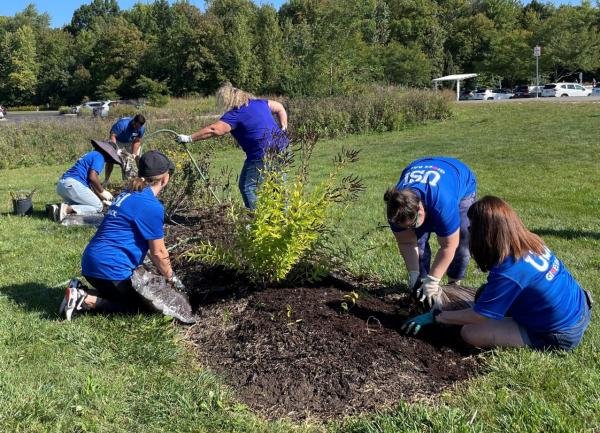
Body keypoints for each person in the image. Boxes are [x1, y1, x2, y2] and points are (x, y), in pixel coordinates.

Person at [402, 196, 592, 351]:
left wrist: (438, 317)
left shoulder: (509, 271)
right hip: (580, 307)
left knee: (470, 333)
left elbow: (480, 316)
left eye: (471, 228)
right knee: (484, 294)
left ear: (485, 234)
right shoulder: (532, 242)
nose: (468, 231)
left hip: (561, 333)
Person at [59, 150, 185, 321]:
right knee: (138, 307)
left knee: (123, 295)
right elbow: (158, 253)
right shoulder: (151, 206)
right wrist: (172, 278)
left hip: (92, 262)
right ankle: (83, 299)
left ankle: (80, 290)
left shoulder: (128, 194)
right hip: (109, 268)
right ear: (165, 178)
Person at [175, 83, 288, 210]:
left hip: (260, 153)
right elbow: (280, 108)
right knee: (277, 184)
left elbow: (214, 130)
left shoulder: (235, 113)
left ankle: (258, 219)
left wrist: (189, 138)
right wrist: (283, 127)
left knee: (247, 186)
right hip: (282, 146)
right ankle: (284, 219)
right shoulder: (260, 103)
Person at [384, 156, 477, 307]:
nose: (410, 230)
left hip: (458, 176)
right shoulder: (396, 209)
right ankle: (421, 288)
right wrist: (414, 274)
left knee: (462, 238)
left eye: (412, 224)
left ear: (420, 209)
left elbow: (448, 246)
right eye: (405, 226)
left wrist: (433, 281)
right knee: (418, 242)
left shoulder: (443, 203)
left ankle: (453, 286)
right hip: (421, 166)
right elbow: (407, 242)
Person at [52, 140, 121, 221]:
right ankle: (66, 209)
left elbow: (91, 182)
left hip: (62, 185)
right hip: (73, 184)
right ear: (108, 154)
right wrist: (103, 192)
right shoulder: (100, 157)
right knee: (98, 207)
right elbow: (92, 177)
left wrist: (101, 198)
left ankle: (57, 208)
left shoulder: (92, 154)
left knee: (85, 204)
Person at [104, 114, 146, 184]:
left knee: (137, 158)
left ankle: (142, 178)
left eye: (139, 127)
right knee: (110, 159)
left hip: (130, 142)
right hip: (118, 141)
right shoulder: (122, 124)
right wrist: (115, 149)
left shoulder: (141, 129)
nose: (137, 129)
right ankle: (106, 180)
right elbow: (112, 136)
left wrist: (134, 154)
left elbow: (137, 141)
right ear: (133, 121)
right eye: (136, 126)